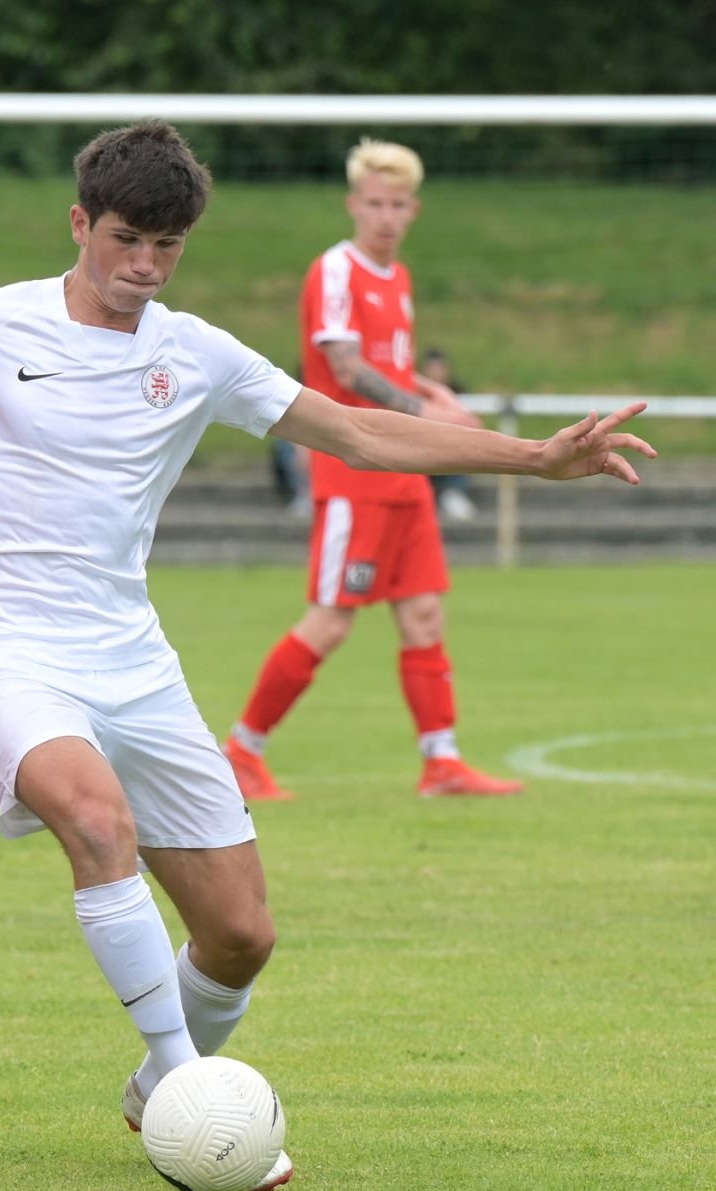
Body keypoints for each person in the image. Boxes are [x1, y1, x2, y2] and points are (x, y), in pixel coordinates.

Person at [0, 121, 651, 1191]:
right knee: (96, 820)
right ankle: (187, 1085)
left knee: (240, 934)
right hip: (4, 655)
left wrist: (536, 458)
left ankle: (152, 1090)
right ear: (79, 224)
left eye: (166, 245)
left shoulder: (196, 352)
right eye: (126, 238)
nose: (145, 264)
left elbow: (358, 432)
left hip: (135, 663)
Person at [223, 139, 520, 803]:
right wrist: (428, 413)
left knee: (424, 616)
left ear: (414, 210)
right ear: (353, 204)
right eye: (375, 203)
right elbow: (347, 367)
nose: (386, 216)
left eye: (397, 204)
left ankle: (442, 762)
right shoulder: (336, 271)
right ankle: (241, 751)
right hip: (354, 473)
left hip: (406, 474)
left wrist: (437, 398)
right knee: (330, 621)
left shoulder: (398, 279)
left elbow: (392, 366)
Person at [421, 349, 478, 522]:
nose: (436, 373)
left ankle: (453, 493)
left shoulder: (457, 392)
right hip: (422, 444)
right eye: (432, 368)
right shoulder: (414, 392)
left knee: (463, 449)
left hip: (448, 445)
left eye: (440, 368)